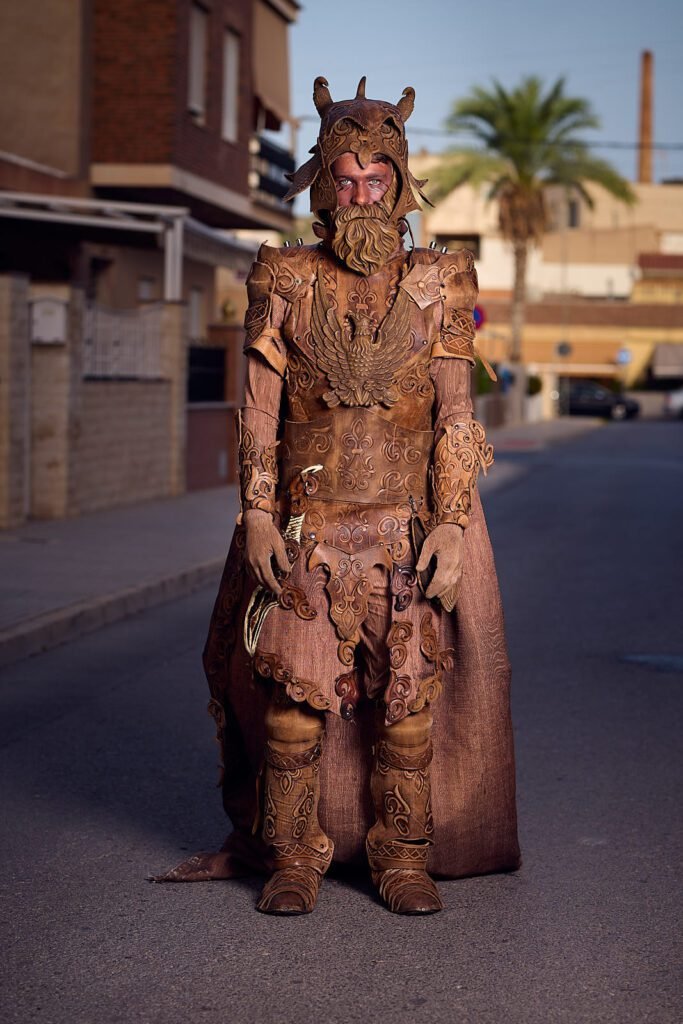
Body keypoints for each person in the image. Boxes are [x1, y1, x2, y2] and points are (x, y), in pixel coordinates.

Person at [158, 77, 520, 914]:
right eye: (346, 177)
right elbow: (258, 410)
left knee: (406, 716)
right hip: (303, 528)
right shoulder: (280, 276)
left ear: (398, 185)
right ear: (323, 183)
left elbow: (457, 418)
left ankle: (402, 858)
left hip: (403, 528)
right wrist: (253, 514)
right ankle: (291, 857)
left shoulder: (441, 282)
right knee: (292, 715)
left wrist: (454, 526)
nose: (362, 193)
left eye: (376, 179)